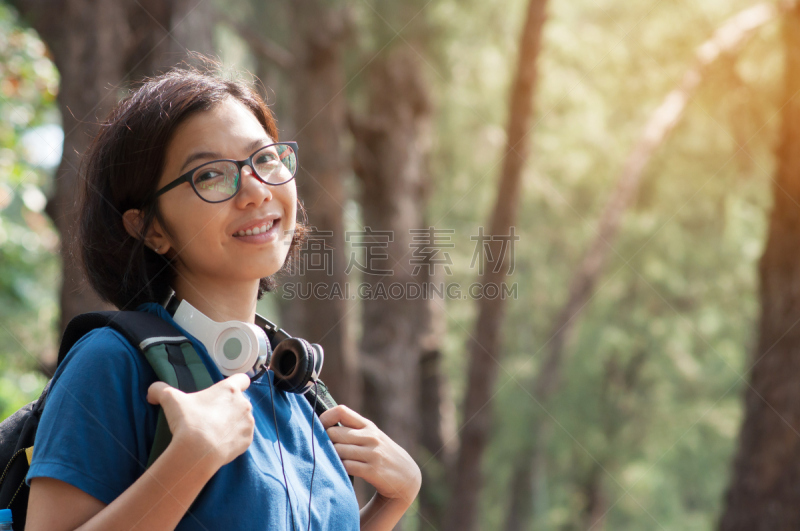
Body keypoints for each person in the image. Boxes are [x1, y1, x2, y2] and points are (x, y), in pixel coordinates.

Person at [24, 65, 421, 530]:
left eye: (266, 159)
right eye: (210, 175)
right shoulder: (111, 363)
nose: (255, 190)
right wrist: (188, 464)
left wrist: (389, 505)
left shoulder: (297, 391)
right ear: (149, 228)